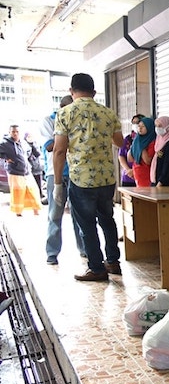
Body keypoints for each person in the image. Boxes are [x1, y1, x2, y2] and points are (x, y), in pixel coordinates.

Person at [53, 73, 125, 282]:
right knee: (107, 220)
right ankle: (113, 261)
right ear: (94, 92)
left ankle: (96, 268)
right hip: (106, 178)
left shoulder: (65, 113)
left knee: (87, 225)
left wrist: (58, 184)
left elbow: (58, 150)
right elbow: (119, 142)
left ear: (71, 91)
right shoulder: (108, 113)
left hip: (81, 179)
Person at [41, 94, 86, 265]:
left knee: (79, 215)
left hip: (76, 173)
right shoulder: (48, 121)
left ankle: (84, 249)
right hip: (55, 174)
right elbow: (51, 147)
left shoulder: (77, 120)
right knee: (55, 214)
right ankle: (52, 253)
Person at [0, 124, 43, 217]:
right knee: (18, 192)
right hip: (14, 171)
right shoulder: (4, 144)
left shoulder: (24, 142)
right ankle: (18, 212)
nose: (15, 134)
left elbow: (36, 153)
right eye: (13, 132)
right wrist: (5, 158)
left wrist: (32, 143)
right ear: (9, 132)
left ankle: (36, 210)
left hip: (26, 171)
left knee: (33, 190)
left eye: (17, 132)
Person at [128, 117, 155, 187]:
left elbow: (147, 160)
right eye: (139, 126)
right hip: (137, 175)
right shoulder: (137, 140)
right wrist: (134, 144)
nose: (140, 128)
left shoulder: (153, 142)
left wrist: (140, 146)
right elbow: (130, 158)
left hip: (147, 175)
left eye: (143, 126)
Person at [118, 114, 143, 187]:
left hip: (141, 176)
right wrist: (128, 170)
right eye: (133, 123)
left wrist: (135, 171)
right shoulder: (128, 139)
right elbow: (121, 155)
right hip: (128, 176)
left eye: (137, 123)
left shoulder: (147, 140)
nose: (135, 125)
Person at [25, 133, 46, 203]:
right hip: (29, 168)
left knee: (39, 184)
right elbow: (26, 156)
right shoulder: (24, 145)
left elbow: (38, 153)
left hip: (37, 167)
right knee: (31, 186)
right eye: (28, 137)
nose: (30, 138)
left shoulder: (35, 144)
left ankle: (40, 197)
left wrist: (32, 144)